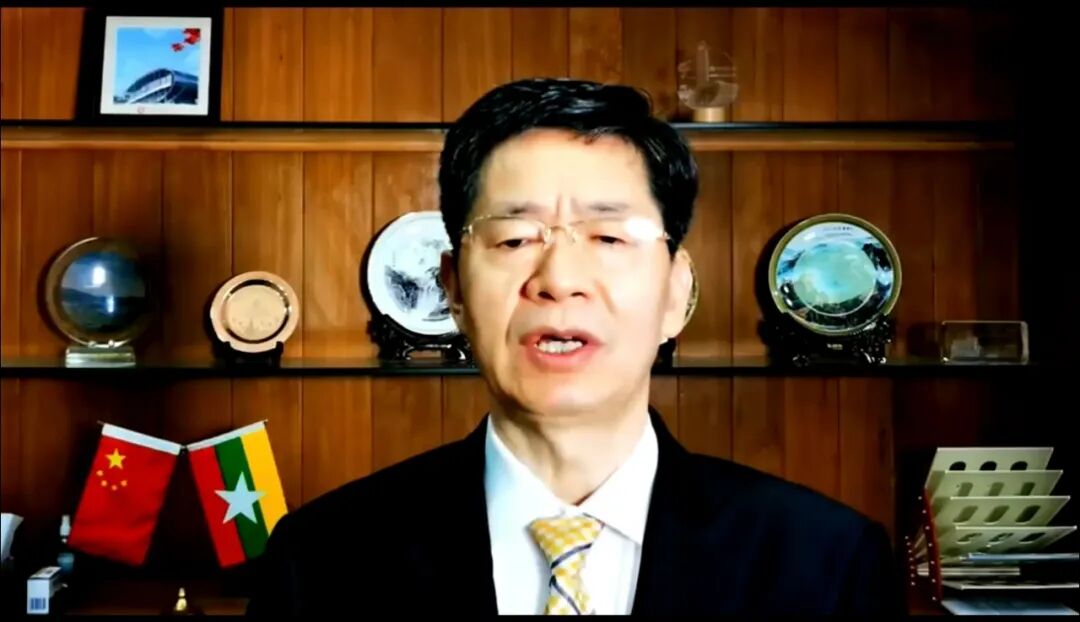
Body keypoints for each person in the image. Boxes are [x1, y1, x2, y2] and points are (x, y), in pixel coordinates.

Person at [246, 78, 904, 616]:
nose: (559, 280)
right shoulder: (320, 561)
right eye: (513, 239)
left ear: (676, 293)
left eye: (610, 238)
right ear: (454, 290)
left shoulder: (827, 564)